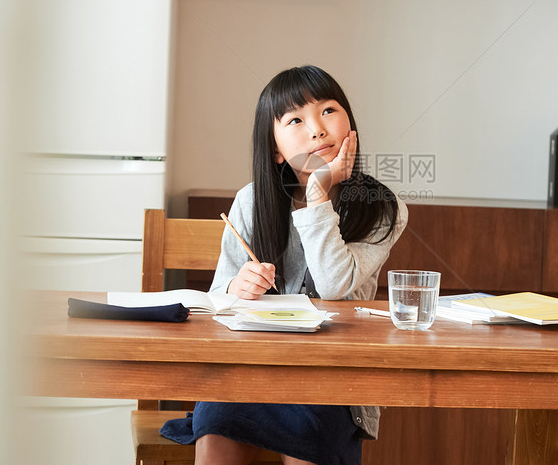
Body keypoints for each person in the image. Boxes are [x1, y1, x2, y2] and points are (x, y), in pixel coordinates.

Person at [160, 65, 408, 465]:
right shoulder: (251, 201)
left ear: (349, 123)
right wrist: (235, 288)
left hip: (334, 378)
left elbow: (333, 286)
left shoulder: (382, 207)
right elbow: (214, 300)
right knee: (216, 417)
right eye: (295, 119)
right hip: (253, 368)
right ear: (276, 149)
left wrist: (318, 190)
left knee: (311, 428)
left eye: (328, 110)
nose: (317, 129)